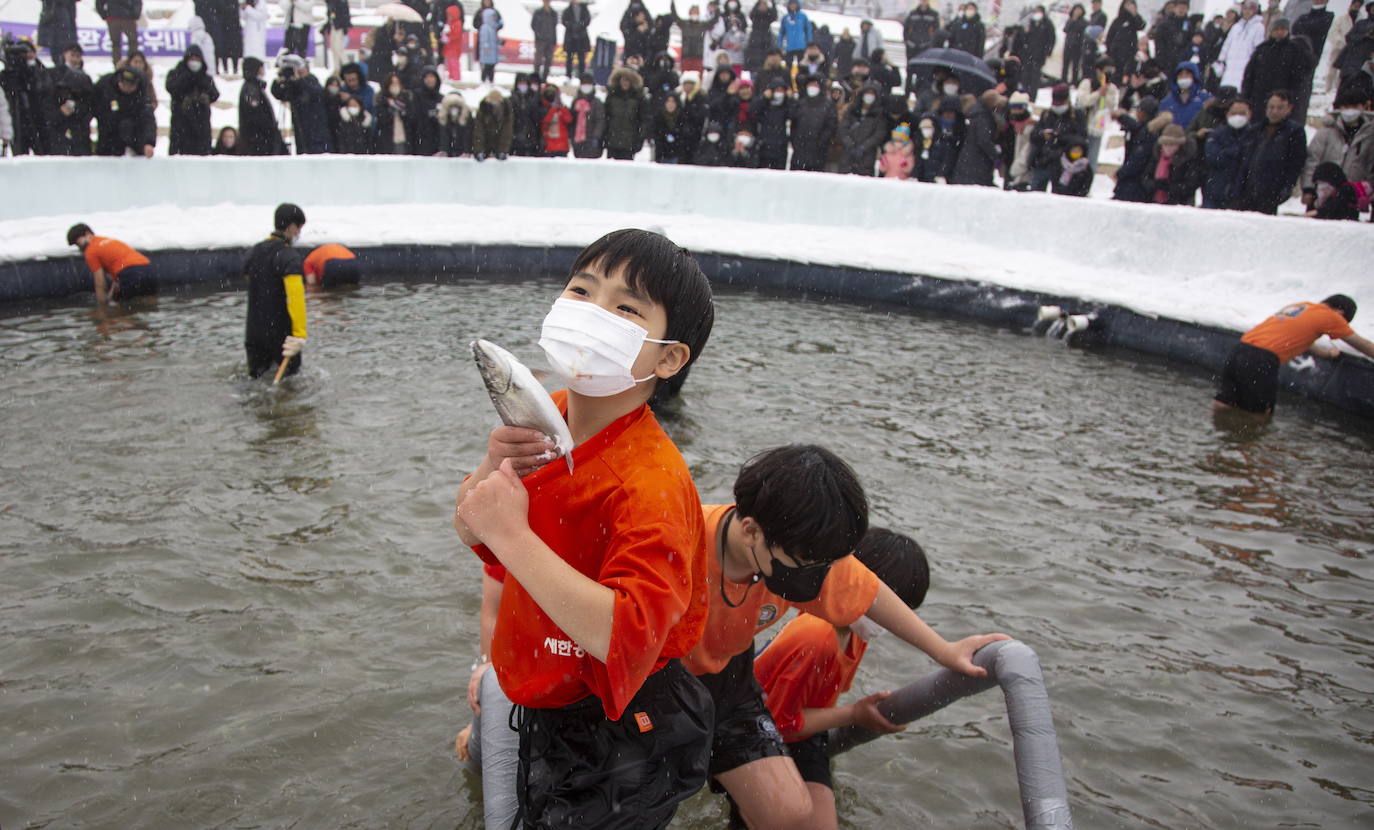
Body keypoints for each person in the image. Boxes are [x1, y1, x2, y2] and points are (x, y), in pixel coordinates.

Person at [453, 229, 715, 830]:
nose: (593, 313)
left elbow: (625, 633)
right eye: (581, 290)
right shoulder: (549, 412)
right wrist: (490, 475)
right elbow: (472, 531)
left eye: (626, 308)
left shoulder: (651, 482)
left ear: (669, 357)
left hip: (619, 730)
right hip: (548, 701)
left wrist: (513, 536)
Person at [684, 446, 1008, 830]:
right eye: (807, 565)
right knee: (631, 802)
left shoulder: (802, 556)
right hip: (656, 675)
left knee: (791, 815)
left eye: (827, 566)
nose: (819, 577)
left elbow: (869, 592)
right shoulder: (680, 541)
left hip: (729, 679)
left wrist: (945, 651)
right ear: (752, 531)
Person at [752, 528, 931, 830]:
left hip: (803, 728)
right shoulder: (817, 637)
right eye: (888, 610)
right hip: (758, 733)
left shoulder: (856, 630)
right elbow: (776, 723)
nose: (891, 623)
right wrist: (854, 714)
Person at [1213, 295, 1374, 420]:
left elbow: (1301, 340)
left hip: (1240, 349)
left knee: (1226, 401)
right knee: (1261, 412)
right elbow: (1362, 345)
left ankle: (1221, 435)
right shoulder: (1332, 317)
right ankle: (1250, 450)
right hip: (1262, 358)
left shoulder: (1300, 307)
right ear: (1340, 313)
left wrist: (1326, 354)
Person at [244, 203, 309, 380]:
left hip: (254, 333)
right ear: (291, 227)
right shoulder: (289, 257)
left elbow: (253, 286)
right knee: (290, 386)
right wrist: (299, 335)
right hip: (281, 335)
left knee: (256, 382)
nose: (298, 234)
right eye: (299, 229)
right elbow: (295, 298)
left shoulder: (254, 252)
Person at [1231, 89, 1306, 214]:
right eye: (1271, 107)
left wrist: (1285, 188)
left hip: (1270, 191)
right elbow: (1241, 159)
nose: (1275, 111)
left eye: (1280, 107)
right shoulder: (1255, 130)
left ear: (1289, 108)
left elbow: (1296, 163)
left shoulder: (1294, 132)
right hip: (1246, 190)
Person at [1242, 18, 1315, 120]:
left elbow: (1300, 78)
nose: (1279, 32)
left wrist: (1291, 99)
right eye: (1276, 29)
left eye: (1283, 29)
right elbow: (1249, 76)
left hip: (1282, 101)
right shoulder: (1261, 50)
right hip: (1259, 101)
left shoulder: (1295, 50)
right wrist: (1246, 98)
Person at [67, 224, 158, 304]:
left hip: (130, 273)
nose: (78, 247)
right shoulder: (109, 240)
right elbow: (119, 264)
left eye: (77, 243)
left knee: (121, 310)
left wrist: (102, 306)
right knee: (149, 303)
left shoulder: (90, 251)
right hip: (148, 269)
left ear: (87, 234)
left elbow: (100, 282)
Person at [1304, 87, 1374, 186]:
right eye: (1346, 106)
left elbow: (1370, 168)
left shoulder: (1369, 135)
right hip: (1324, 190)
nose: (1350, 111)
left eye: (1354, 106)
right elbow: (1312, 160)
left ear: (1363, 107)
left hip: (1356, 193)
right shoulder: (1327, 131)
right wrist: (1309, 187)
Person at [1029, 83, 1086, 191]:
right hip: (1043, 160)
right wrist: (1043, 135)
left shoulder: (1076, 116)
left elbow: (1081, 138)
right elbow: (1034, 135)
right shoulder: (1047, 114)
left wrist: (1059, 137)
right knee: (1036, 192)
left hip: (1065, 164)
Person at [1111, 95, 1168, 202]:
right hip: (1140, 182)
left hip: (1136, 185)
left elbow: (1137, 159)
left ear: (1143, 113)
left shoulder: (1148, 133)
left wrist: (1121, 173)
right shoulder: (1147, 128)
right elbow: (1135, 125)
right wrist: (1122, 117)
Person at [0, 40, 52, 156]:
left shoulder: (36, 72)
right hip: (16, 120)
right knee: (19, 153)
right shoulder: (5, 76)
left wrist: (32, 72)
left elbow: (44, 90)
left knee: (42, 152)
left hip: (36, 120)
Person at [166, 45, 220, 155]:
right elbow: (171, 87)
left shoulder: (205, 77)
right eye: (192, 59)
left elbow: (214, 94)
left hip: (202, 127)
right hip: (181, 126)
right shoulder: (176, 74)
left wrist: (203, 91)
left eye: (197, 59)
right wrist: (187, 79)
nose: (194, 62)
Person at [271, 55, 331, 154]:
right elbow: (279, 94)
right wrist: (279, 80)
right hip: (301, 131)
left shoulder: (312, 81)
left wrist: (299, 79)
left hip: (316, 131)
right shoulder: (294, 85)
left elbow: (315, 92)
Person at [93, 65, 156, 157]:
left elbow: (147, 120)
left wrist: (148, 142)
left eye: (130, 85)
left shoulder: (141, 97)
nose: (126, 88)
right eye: (123, 84)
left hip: (133, 138)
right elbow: (91, 105)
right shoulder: (105, 85)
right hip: (107, 137)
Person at [1201, 97, 1253, 208]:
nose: (1238, 116)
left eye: (1242, 113)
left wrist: (1228, 153)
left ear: (1249, 114)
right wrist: (1236, 152)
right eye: (1234, 113)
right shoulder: (1217, 134)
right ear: (1227, 114)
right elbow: (1212, 157)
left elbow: (1250, 161)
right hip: (1215, 192)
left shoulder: (1255, 135)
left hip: (1243, 195)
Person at [951, 90, 1002, 186]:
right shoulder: (983, 117)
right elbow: (984, 140)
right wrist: (995, 155)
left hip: (967, 160)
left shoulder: (975, 113)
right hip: (978, 163)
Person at [1077, 55, 1120, 166]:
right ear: (1098, 70)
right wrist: (1098, 93)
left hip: (1098, 126)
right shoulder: (1087, 83)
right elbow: (1083, 101)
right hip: (1083, 125)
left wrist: (1106, 92)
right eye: (1106, 71)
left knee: (1092, 159)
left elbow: (1111, 106)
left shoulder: (1112, 88)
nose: (1108, 74)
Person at [1144, 123, 1201, 203]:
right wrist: (1154, 185)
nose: (1168, 147)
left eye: (1172, 144)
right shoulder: (1156, 157)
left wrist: (1168, 187)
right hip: (1154, 201)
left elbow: (1191, 185)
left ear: (1179, 145)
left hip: (1180, 204)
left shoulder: (1188, 160)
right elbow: (1146, 177)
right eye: (1165, 144)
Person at [1216, 0, 1265, 90]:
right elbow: (1226, 45)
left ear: (1255, 11)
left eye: (1250, 9)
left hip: (1244, 67)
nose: (1247, 11)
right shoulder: (1236, 27)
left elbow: (1258, 48)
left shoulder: (1258, 27)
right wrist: (1221, 60)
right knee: (1225, 92)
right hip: (1230, 67)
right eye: (1245, 9)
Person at [789, 74, 834, 171]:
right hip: (799, 153)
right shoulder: (800, 104)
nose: (812, 88)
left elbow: (830, 127)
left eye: (815, 85)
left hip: (818, 153)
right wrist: (796, 142)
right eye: (810, 85)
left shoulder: (828, 105)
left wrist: (821, 143)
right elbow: (794, 126)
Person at [238, 57, 282, 154]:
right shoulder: (251, 88)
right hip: (258, 139)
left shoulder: (255, 87)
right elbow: (255, 114)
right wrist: (269, 128)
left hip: (259, 138)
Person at [605, 66, 648, 160]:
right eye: (623, 80)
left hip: (629, 142)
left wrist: (640, 138)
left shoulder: (638, 98)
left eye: (627, 80)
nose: (625, 83)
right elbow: (606, 118)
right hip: (613, 141)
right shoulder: (612, 96)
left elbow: (644, 120)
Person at [1019, 5, 1056, 98]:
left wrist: (1048, 51)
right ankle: (1024, 93)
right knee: (1025, 75)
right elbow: (1025, 36)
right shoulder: (1031, 22)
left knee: (1035, 76)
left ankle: (1032, 96)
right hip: (1028, 53)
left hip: (1039, 54)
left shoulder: (1047, 24)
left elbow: (1051, 38)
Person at [1106, 0, 1146, 82]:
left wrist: (1134, 14)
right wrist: (1110, 51)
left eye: (1131, 4)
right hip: (1117, 53)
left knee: (1128, 74)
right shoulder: (1117, 20)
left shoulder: (1134, 20)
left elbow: (1141, 26)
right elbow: (1109, 37)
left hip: (1130, 53)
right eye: (1127, 4)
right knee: (1117, 75)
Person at [96, 0, 142, 65]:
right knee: (132, 42)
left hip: (113, 18)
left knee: (115, 44)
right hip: (128, 18)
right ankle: (132, 63)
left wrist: (104, 14)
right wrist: (136, 14)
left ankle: (117, 64)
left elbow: (99, 3)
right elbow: (137, 2)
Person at [472, 87, 512, 160]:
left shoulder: (506, 111)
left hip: (498, 145)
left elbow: (506, 133)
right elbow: (479, 131)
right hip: (486, 145)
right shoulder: (483, 109)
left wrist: (503, 150)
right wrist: (479, 150)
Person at [777, 0, 812, 71]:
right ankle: (788, 80)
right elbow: (781, 32)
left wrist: (809, 44)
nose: (793, 6)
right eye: (791, 4)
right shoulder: (785, 18)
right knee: (788, 67)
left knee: (802, 66)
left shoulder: (803, 16)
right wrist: (779, 45)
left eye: (794, 4)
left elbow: (808, 30)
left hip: (801, 46)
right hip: (789, 46)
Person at [476, 0, 503, 84]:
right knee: (486, 67)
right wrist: (486, 46)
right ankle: (484, 80)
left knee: (491, 67)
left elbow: (500, 23)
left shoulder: (493, 27)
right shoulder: (485, 27)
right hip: (487, 51)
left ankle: (491, 80)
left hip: (492, 51)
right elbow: (484, 39)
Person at [438, 90, 473, 155]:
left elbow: (468, 135)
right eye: (451, 106)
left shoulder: (467, 117)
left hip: (463, 153)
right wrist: (443, 150)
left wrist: (466, 151)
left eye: (457, 106)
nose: (454, 108)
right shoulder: (442, 117)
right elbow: (443, 136)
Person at [563, 0, 591, 78]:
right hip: (570, 38)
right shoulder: (567, 10)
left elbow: (587, 20)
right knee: (569, 59)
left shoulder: (584, 10)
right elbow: (564, 21)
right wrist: (572, 26)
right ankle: (568, 76)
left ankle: (581, 76)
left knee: (581, 59)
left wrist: (580, 26)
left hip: (581, 38)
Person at [1063, 4, 1090, 85]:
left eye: (1079, 10)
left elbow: (1084, 32)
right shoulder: (1070, 19)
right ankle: (1063, 80)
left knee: (1075, 66)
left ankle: (1074, 82)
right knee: (1065, 64)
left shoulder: (1084, 22)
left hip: (1077, 46)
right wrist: (1073, 20)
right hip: (1068, 44)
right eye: (1076, 9)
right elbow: (1065, 29)